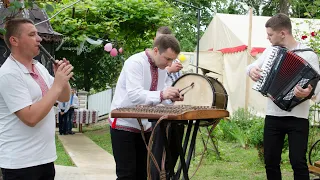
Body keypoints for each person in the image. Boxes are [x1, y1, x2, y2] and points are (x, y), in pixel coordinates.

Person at [246, 13, 320, 180]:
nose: (267, 37)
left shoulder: (309, 55)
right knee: (270, 161)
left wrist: (308, 92)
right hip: (273, 115)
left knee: (297, 162)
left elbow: (317, 89)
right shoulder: (271, 51)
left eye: (270, 34)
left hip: (298, 118)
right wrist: (251, 70)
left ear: (283, 33)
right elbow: (251, 67)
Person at [0, 18, 73, 180]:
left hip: (44, 159)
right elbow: (30, 117)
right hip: (21, 164)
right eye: (32, 34)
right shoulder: (9, 74)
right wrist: (57, 84)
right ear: (14, 40)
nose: (39, 39)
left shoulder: (38, 67)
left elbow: (64, 96)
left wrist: (61, 78)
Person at [109, 34, 183, 180]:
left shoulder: (161, 68)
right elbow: (135, 96)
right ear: (156, 50)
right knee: (127, 175)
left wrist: (171, 98)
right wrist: (163, 94)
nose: (169, 64)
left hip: (145, 125)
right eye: (167, 59)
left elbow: (157, 99)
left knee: (144, 173)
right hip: (123, 125)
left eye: (172, 60)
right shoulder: (135, 62)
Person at [151, 26, 185, 180]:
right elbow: (147, 92)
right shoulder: (153, 62)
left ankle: (169, 175)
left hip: (172, 112)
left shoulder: (170, 60)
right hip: (156, 116)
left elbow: (169, 87)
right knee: (158, 154)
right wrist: (168, 70)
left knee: (173, 151)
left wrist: (173, 96)